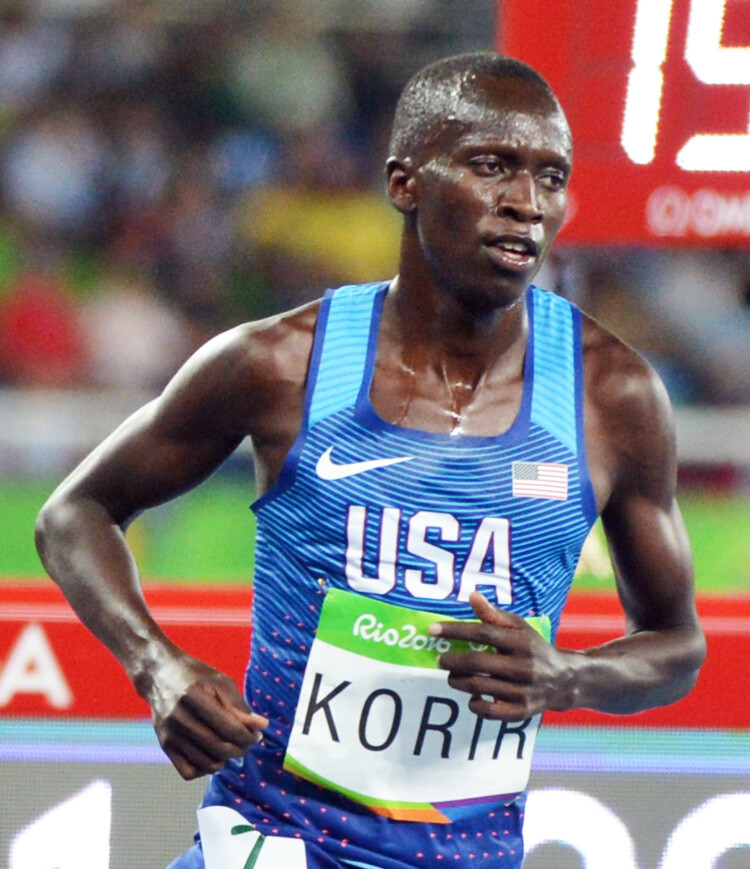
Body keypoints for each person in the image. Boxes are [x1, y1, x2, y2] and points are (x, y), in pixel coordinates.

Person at [35, 52, 706, 869]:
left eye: (551, 176)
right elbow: (73, 514)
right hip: (273, 843)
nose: (527, 203)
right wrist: (157, 664)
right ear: (404, 182)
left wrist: (568, 677)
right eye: (492, 166)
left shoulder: (613, 395)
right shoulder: (279, 364)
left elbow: (677, 645)